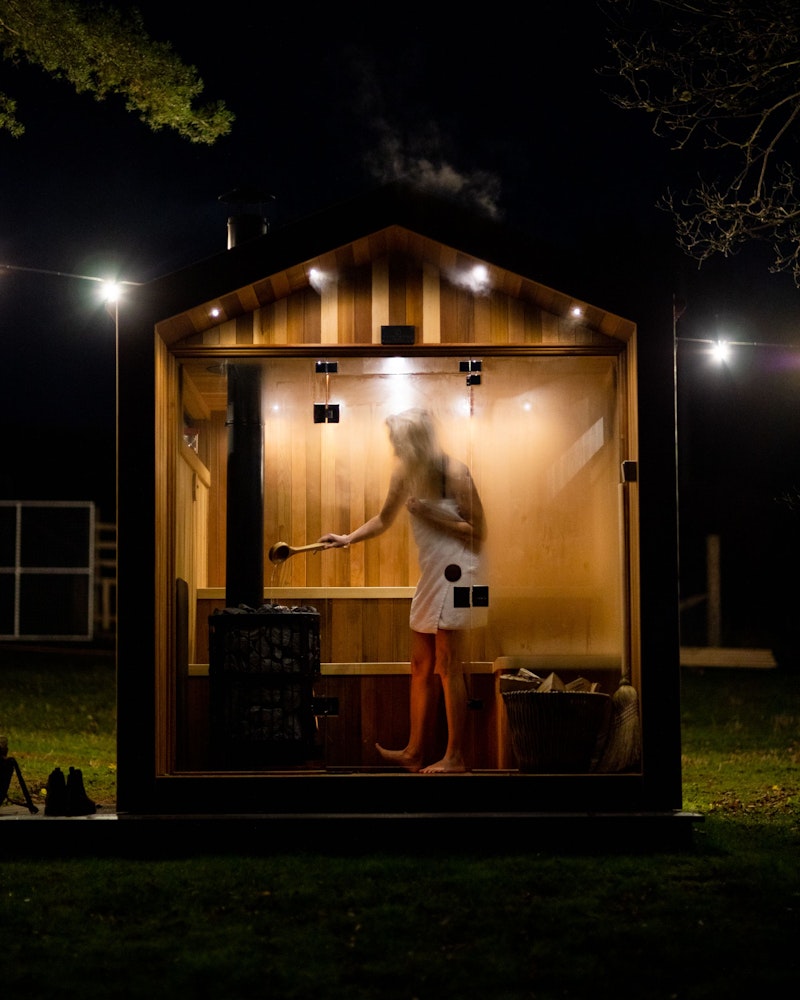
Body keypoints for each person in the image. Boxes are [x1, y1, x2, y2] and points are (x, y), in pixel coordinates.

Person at [320, 409, 487, 773]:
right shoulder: (405, 472)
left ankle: (455, 758)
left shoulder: (455, 472)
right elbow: (383, 519)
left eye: (399, 442)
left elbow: (478, 531)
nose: (394, 449)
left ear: (416, 442)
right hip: (432, 572)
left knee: (447, 663)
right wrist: (346, 539)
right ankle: (414, 753)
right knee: (420, 664)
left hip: (462, 570)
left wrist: (430, 512)